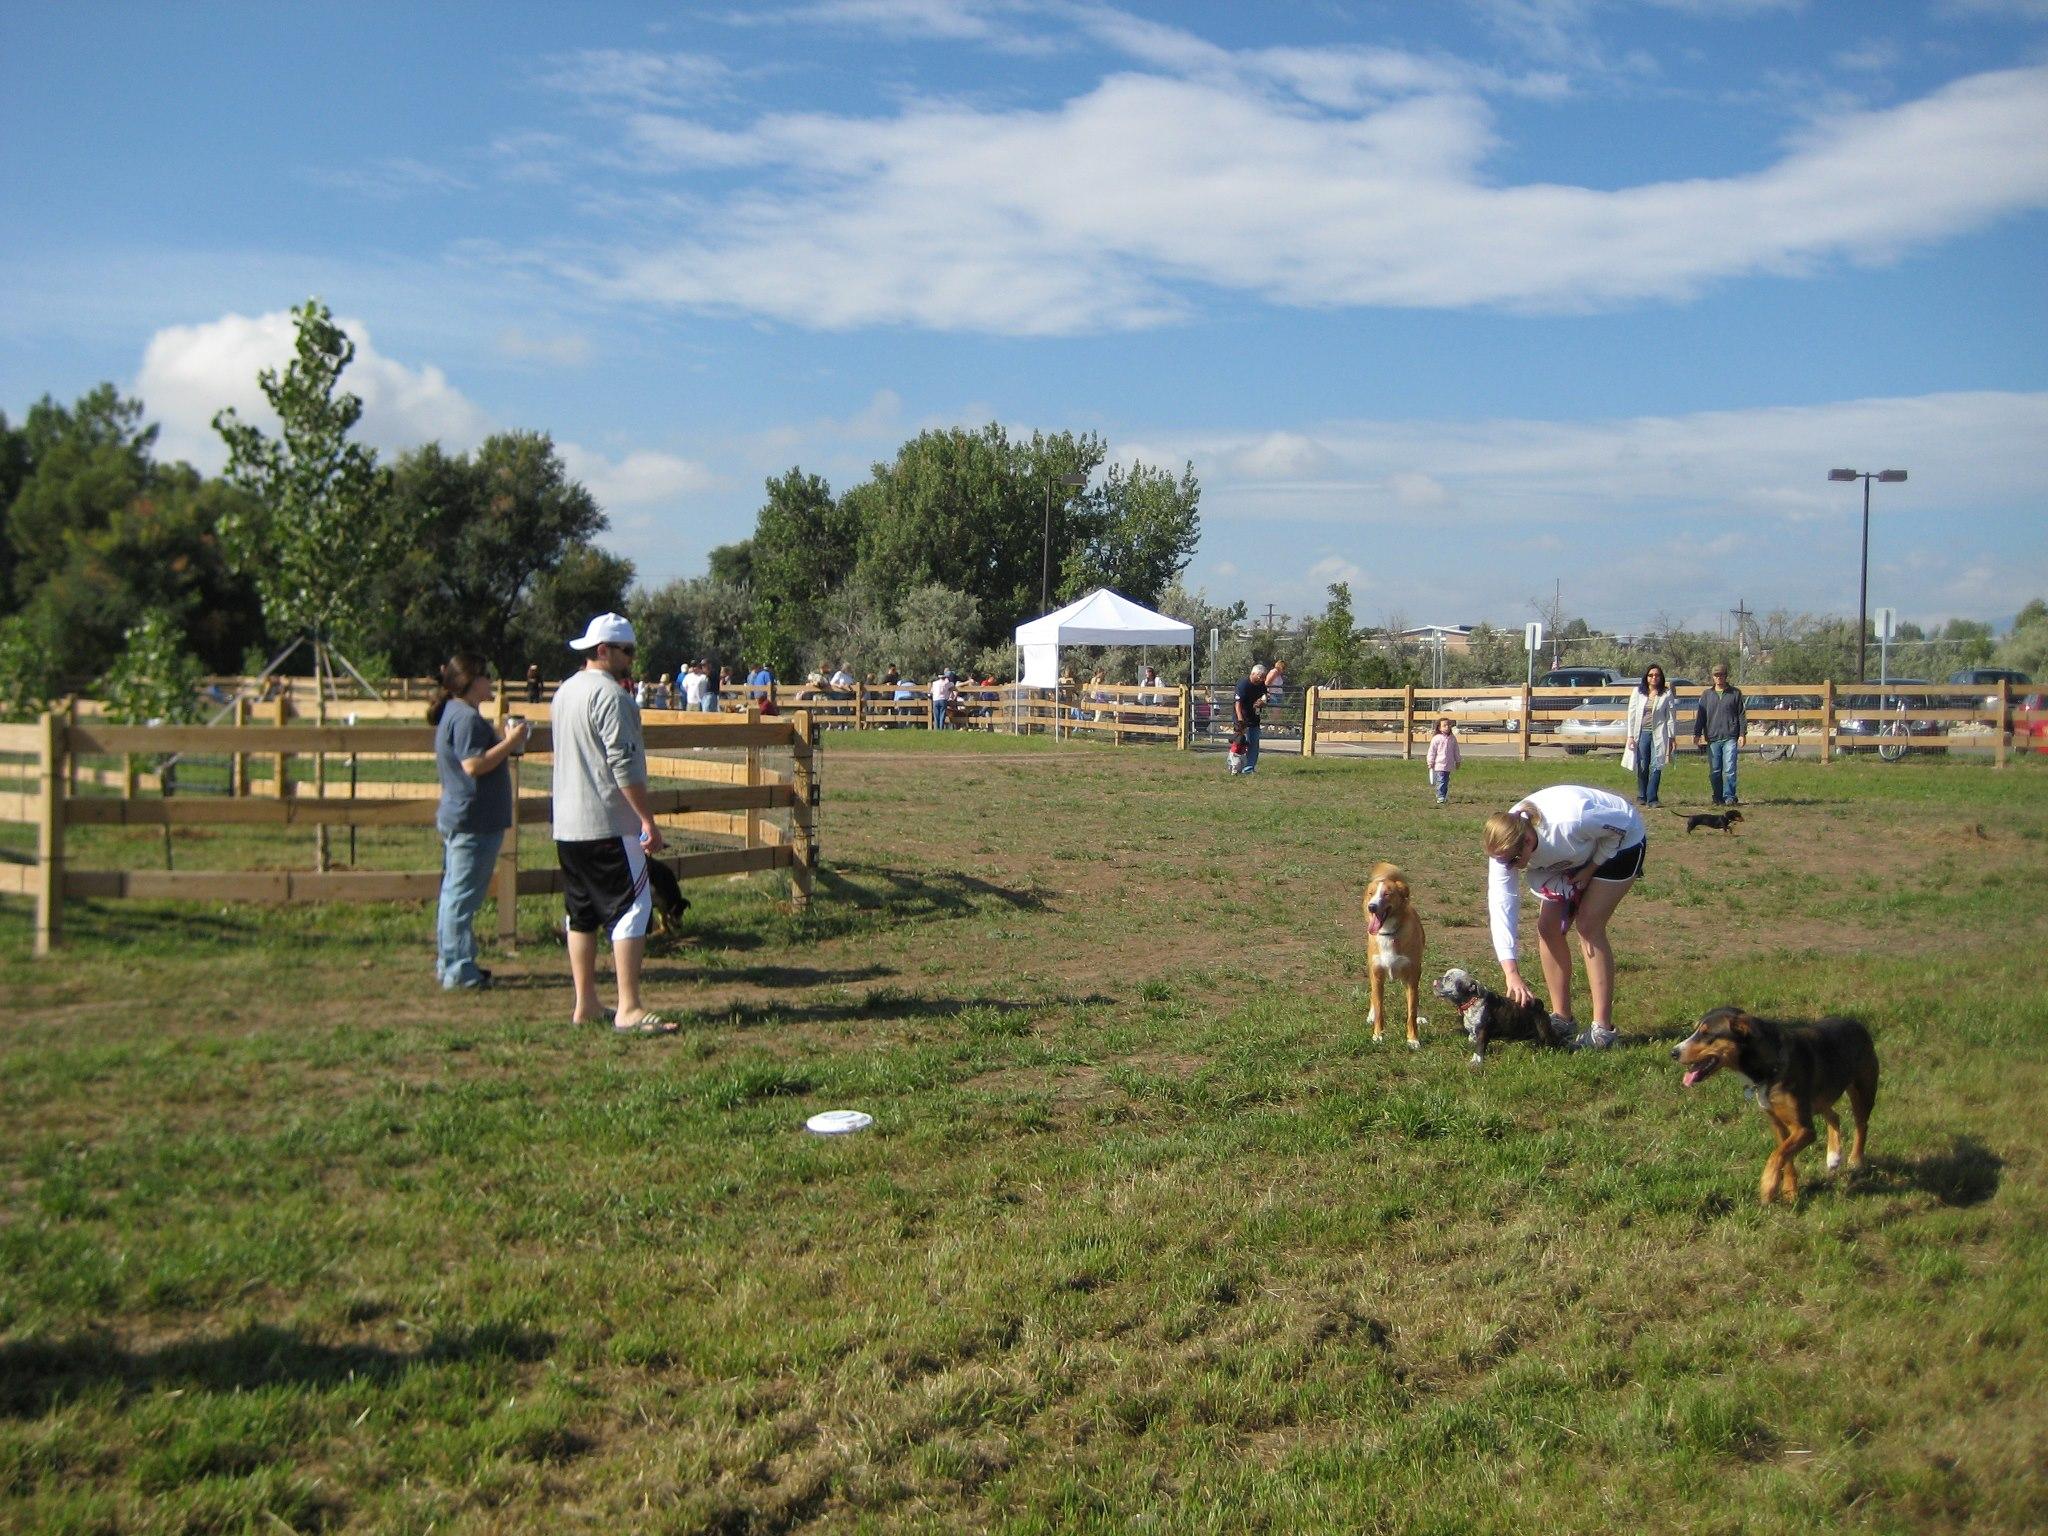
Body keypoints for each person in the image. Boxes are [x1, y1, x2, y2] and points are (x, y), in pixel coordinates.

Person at [552, 612, 675, 1035]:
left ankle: (585, 1003)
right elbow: (623, 764)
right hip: (607, 823)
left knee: (581, 914)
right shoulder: (612, 697)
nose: (632, 659)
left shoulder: (564, 692)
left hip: (568, 825)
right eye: (627, 651)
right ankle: (629, 1007)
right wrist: (647, 820)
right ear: (603, 651)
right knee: (631, 908)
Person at [1483, 785, 1647, 1050]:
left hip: (1621, 842)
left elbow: (1623, 825)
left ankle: (1603, 1032)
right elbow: (1502, 905)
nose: (1511, 868)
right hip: (1574, 853)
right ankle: (1562, 1018)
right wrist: (1510, 971)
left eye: (1515, 861)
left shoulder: (1572, 820)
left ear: (1527, 842)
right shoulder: (1504, 846)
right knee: (1548, 927)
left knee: (1588, 926)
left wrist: (1592, 868)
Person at [431, 653, 528, 990]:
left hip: (463, 816)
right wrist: (511, 743)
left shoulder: (456, 713)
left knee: (453, 894)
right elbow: (473, 765)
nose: (491, 682)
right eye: (486, 676)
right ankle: (459, 970)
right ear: (471, 682)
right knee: (461, 898)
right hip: (474, 820)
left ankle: (451, 963)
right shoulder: (468, 718)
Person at [1624, 664, 1677, 806]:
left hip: (1658, 734)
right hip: (1641, 733)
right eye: (1651, 675)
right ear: (1646, 677)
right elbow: (1632, 714)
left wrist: (1672, 737)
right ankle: (1642, 795)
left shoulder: (1666, 694)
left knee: (1656, 764)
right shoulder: (1638, 692)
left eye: (1657, 675)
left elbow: (1671, 716)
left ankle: (1652, 797)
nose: (1654, 678)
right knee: (1642, 764)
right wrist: (1630, 736)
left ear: (1661, 678)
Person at [1694, 663, 1747, 806]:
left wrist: (1742, 733)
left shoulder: (1735, 693)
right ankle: (1717, 796)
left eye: (1721, 675)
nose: (1719, 678)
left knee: (1730, 768)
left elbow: (1741, 715)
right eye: (1716, 675)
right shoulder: (1706, 695)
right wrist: (1697, 733)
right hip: (1713, 737)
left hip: (1730, 736)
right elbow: (1701, 716)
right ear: (1713, 677)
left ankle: (1729, 796)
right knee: (1715, 770)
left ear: (1726, 676)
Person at [1232, 663, 1268, 774]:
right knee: (1241, 744)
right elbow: (1238, 704)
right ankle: (1235, 767)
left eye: (1263, 677)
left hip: (1254, 718)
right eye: (1260, 676)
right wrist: (1240, 721)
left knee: (1254, 744)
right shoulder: (1243, 684)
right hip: (1242, 718)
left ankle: (1249, 768)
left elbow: (1265, 697)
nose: (1262, 679)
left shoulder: (1261, 685)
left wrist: (1263, 703)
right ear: (1253, 674)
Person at [1426, 714, 1461, 805]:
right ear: (1439, 727)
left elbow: (1456, 750)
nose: (1447, 727)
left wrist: (1458, 761)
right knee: (1441, 780)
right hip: (1439, 764)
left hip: (1448, 764)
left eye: (1449, 725)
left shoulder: (1452, 739)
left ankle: (1443, 796)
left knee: (1446, 781)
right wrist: (1430, 762)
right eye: (1444, 725)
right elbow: (1432, 751)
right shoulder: (1436, 739)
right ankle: (1440, 796)